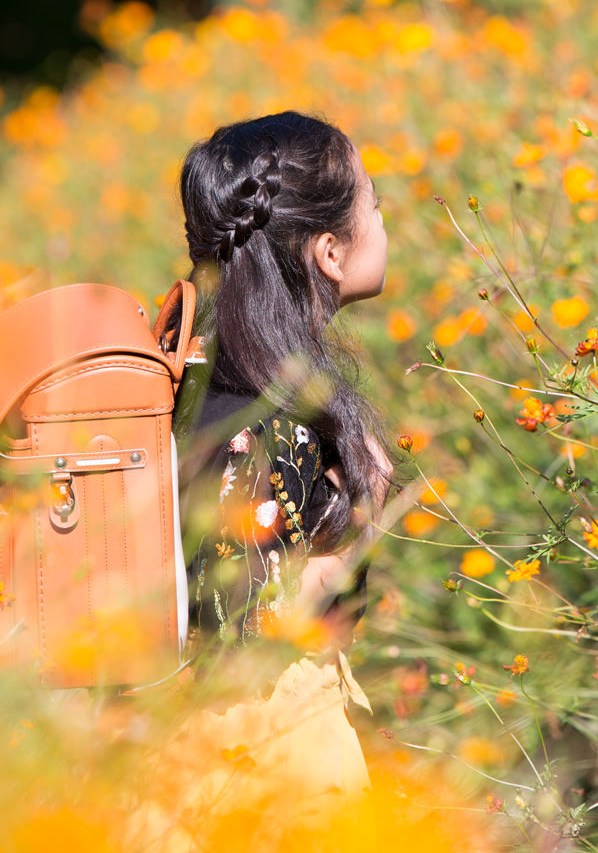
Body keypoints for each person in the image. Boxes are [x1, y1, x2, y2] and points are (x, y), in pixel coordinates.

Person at [147, 111, 393, 839]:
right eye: (373, 207)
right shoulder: (275, 427)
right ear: (329, 254)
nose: (382, 222)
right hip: (274, 771)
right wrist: (364, 513)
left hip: (164, 773)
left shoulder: (183, 386)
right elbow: (262, 631)